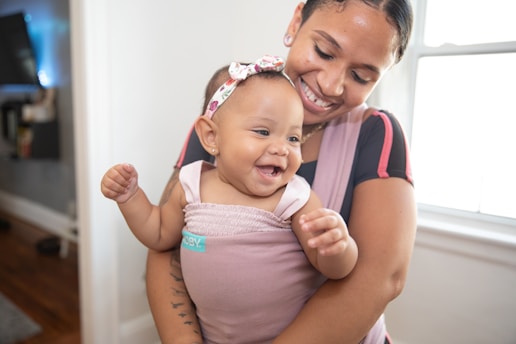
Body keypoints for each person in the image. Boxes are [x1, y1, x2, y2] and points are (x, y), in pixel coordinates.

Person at [146, 0, 417, 343]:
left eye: (361, 76)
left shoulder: (376, 133)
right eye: (324, 51)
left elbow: (381, 277)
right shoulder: (228, 109)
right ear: (296, 21)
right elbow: (165, 243)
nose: (332, 85)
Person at [101, 56, 358, 343]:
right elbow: (159, 234)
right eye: (263, 132)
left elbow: (334, 269)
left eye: (293, 139)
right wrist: (130, 197)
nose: (282, 149)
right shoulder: (192, 185)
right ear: (211, 137)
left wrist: (339, 247)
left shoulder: (294, 198)